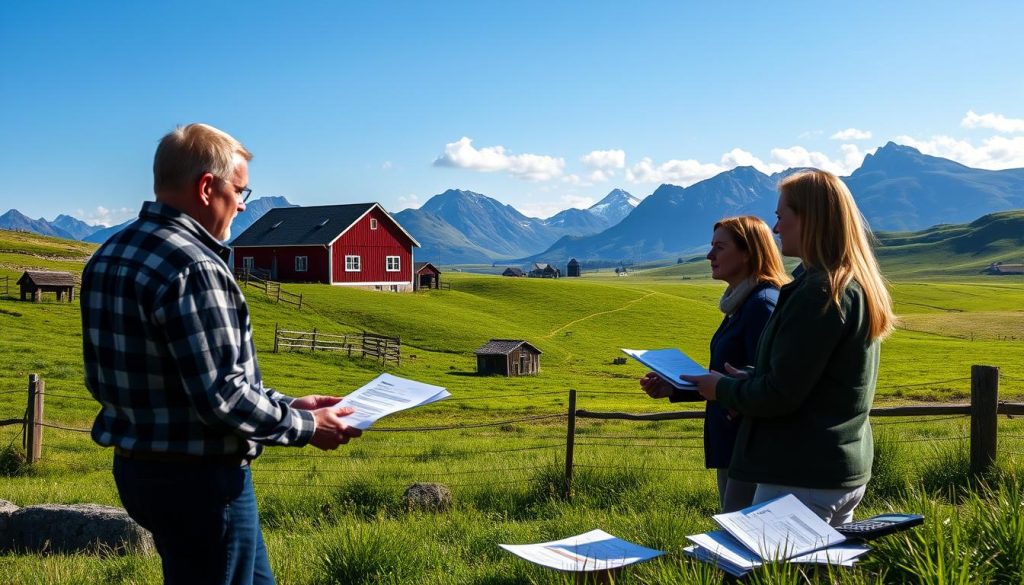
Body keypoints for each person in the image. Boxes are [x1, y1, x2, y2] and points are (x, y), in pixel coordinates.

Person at [81, 123, 363, 585]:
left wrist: (288, 404)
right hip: (201, 479)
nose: (245, 203)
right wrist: (307, 427)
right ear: (207, 187)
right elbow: (223, 397)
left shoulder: (112, 253)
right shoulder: (194, 266)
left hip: (140, 466)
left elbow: (174, 377)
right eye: (240, 189)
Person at [681, 169, 895, 526]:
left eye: (782, 217)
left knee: (762, 573)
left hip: (800, 471)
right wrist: (750, 377)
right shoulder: (848, 284)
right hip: (835, 466)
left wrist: (724, 389)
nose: (776, 229)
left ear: (810, 219)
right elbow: (811, 380)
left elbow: (781, 394)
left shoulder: (818, 293)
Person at [640, 216, 788, 512]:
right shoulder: (742, 302)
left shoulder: (761, 305)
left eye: (719, 248)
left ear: (748, 252)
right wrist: (675, 389)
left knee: (747, 539)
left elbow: (765, 381)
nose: (709, 256)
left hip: (751, 449)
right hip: (735, 445)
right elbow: (729, 380)